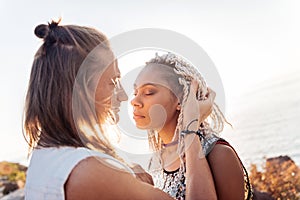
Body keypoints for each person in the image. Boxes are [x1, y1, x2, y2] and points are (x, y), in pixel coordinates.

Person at [23, 20, 216, 200]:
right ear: (81, 89)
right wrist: (190, 127)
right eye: (112, 81)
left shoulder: (45, 158)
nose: (124, 96)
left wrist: (122, 170)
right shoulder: (88, 172)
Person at [131, 52, 253, 200]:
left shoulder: (218, 154)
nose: (134, 101)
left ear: (180, 99)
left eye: (148, 92)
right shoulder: (154, 162)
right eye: (135, 91)